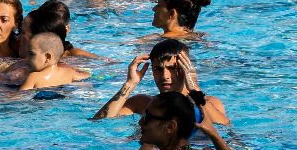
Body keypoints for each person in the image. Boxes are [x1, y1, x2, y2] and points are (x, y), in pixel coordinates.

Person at [93, 38, 230, 127]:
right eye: (158, 69)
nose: (165, 76)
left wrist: (194, 88)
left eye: (172, 69)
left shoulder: (209, 103)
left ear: (186, 69)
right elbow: (100, 124)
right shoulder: (143, 103)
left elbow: (222, 128)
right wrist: (130, 83)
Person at [119, 91, 233, 150]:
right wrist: (214, 134)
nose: (140, 122)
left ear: (170, 127)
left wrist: (145, 149)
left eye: (148, 117)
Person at [17, 33, 92, 91]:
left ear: (48, 57)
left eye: (31, 54)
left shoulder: (34, 77)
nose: (27, 58)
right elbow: (88, 77)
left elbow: (20, 98)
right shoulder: (69, 72)